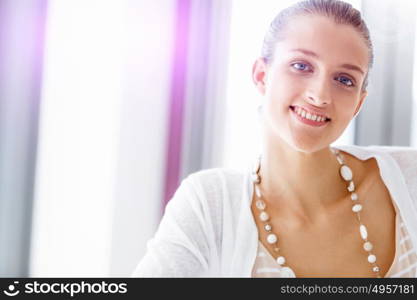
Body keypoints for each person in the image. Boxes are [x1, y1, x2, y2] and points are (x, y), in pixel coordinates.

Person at [132, 0, 417, 277]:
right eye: (302, 66)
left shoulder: (409, 177)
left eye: (344, 80)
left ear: (358, 104)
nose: (319, 95)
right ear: (261, 75)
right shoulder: (210, 205)